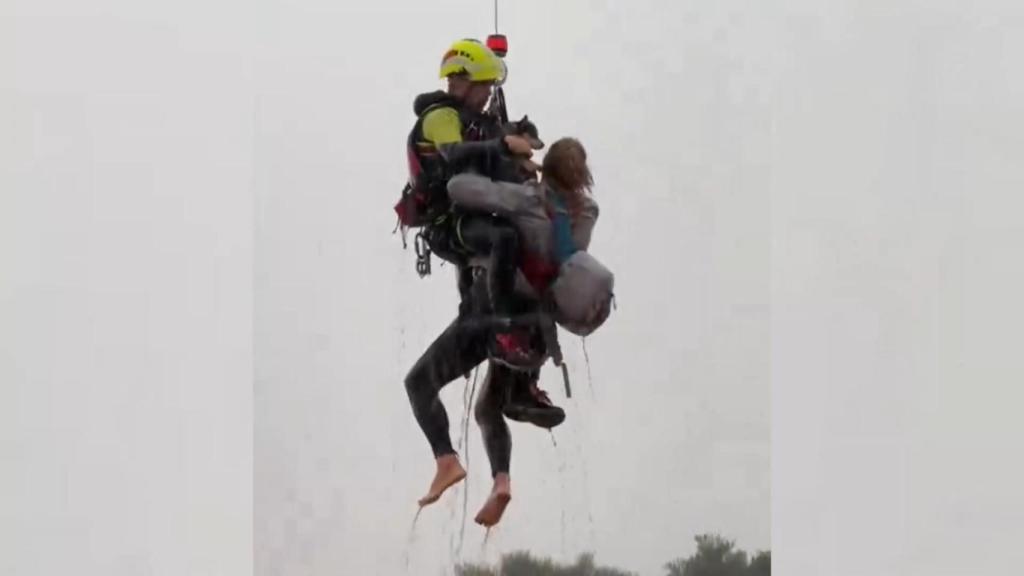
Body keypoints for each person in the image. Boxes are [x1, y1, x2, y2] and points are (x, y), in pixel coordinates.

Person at [403, 39, 564, 508]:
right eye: (486, 87)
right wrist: (503, 144)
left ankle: (467, 467)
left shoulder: (481, 126)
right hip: (448, 226)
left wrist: (520, 132)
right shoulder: (440, 116)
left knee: (447, 392)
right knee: (488, 405)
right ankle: (494, 468)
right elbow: (454, 155)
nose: (490, 96)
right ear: (462, 81)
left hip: (488, 307)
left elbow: (497, 140)